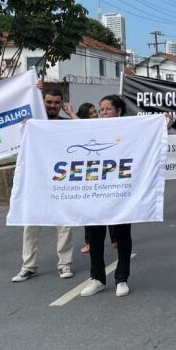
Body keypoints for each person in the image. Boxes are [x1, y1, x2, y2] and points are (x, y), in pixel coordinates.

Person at [12, 88, 75, 283]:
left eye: (57, 103)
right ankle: (28, 266)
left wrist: (71, 114)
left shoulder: (67, 125)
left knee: (64, 224)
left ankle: (65, 264)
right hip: (36, 183)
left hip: (60, 182)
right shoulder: (32, 125)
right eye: (49, 102)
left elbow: (86, 131)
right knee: (30, 225)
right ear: (43, 102)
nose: (53, 106)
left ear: (62, 104)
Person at [79, 95, 137, 298]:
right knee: (95, 236)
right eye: (100, 109)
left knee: (121, 236)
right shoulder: (92, 130)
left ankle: (122, 279)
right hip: (94, 192)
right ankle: (97, 278)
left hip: (119, 192)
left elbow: (149, 139)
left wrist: (163, 126)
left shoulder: (130, 130)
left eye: (107, 110)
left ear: (119, 111)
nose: (102, 113)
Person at [69, 102, 118, 255]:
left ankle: (116, 238)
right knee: (89, 211)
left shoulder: (104, 126)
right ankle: (90, 242)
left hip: (107, 172)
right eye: (91, 113)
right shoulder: (82, 130)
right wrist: (71, 113)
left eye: (96, 112)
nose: (96, 115)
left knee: (111, 207)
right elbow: (82, 126)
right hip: (89, 175)